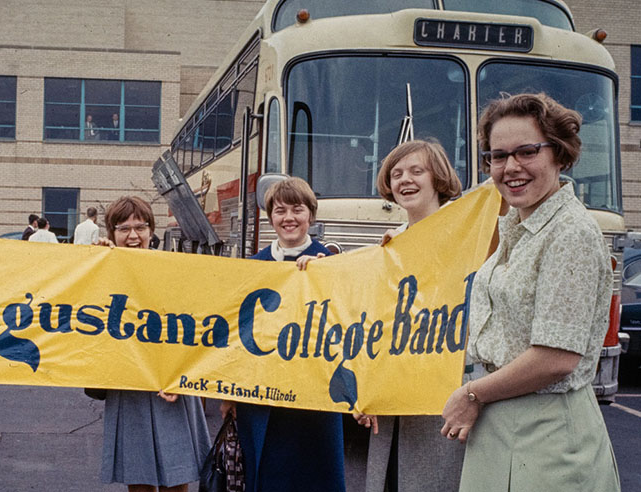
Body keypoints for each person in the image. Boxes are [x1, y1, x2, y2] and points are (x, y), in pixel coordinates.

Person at [441, 93, 620, 491]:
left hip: (546, 438)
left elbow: (556, 358)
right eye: (498, 156)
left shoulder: (570, 232)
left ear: (559, 154)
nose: (510, 167)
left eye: (526, 151)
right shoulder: (517, 228)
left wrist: (470, 395)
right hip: (501, 429)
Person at [221, 177, 345, 492]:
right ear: (270, 217)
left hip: (313, 396)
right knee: (266, 476)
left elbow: (347, 324)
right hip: (262, 396)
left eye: (297, 209)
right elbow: (238, 332)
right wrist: (228, 393)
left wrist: (324, 276)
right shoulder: (254, 266)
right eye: (279, 211)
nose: (288, 217)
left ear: (310, 216)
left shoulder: (331, 264)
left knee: (315, 475)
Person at [354, 140, 464, 492]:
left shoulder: (463, 233)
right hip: (392, 399)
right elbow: (375, 320)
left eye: (417, 171)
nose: (405, 180)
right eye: (397, 173)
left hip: (443, 395)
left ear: (438, 178)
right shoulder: (389, 244)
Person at [96, 196, 211, 492]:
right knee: (140, 479)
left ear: (151, 231)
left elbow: (196, 327)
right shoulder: (101, 267)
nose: (133, 236)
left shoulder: (173, 269)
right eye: (123, 229)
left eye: (140, 227)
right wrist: (95, 261)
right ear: (112, 234)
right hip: (129, 386)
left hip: (170, 385)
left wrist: (183, 376)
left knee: (177, 477)